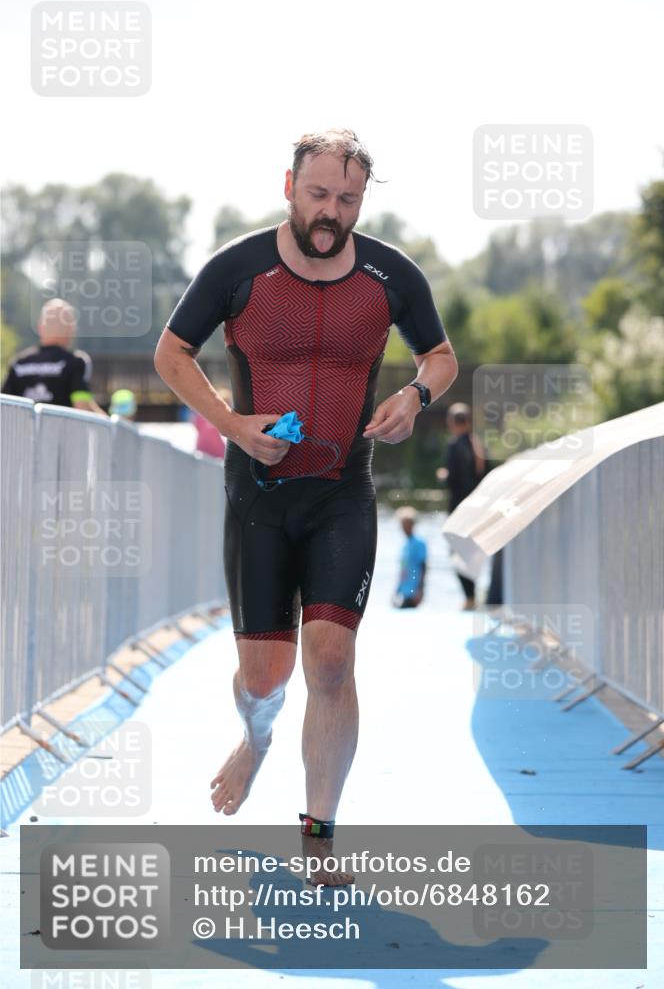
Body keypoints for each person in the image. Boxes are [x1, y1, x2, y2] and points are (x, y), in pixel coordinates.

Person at [154, 129, 459, 884]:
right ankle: (254, 741)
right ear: (287, 184)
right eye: (318, 195)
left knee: (330, 662)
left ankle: (319, 839)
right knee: (264, 679)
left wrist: (415, 396)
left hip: (342, 494)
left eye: (347, 200)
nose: (331, 212)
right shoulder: (238, 268)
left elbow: (440, 356)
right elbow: (171, 353)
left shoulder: (392, 275)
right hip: (256, 499)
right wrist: (230, 424)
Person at [1, 299, 106, 415]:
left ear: (40, 327)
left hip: (23, 432)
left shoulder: (19, 363)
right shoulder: (76, 362)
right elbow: (82, 406)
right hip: (63, 433)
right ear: (70, 328)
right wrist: (111, 424)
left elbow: (5, 407)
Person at [437, 403, 487, 609]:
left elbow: (453, 479)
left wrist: (443, 475)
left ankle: (469, 598)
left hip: (459, 509)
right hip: (478, 509)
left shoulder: (454, 445)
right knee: (471, 552)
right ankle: (473, 595)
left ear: (452, 423)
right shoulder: (479, 446)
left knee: (457, 552)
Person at [392, 506, 427, 609]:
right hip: (404, 590)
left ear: (412, 524)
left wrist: (420, 590)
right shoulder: (405, 545)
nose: (403, 528)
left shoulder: (419, 543)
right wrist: (397, 590)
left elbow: (423, 567)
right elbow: (403, 569)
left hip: (414, 590)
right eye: (402, 524)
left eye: (406, 524)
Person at [192, 387, 229, 459]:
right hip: (212, 454)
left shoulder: (203, 414)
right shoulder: (218, 419)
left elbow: (196, 424)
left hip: (201, 451)